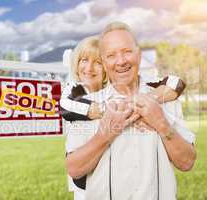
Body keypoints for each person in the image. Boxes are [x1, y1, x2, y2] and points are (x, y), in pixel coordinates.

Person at [65, 22, 196, 200]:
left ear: (139, 55)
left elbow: (187, 162)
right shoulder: (89, 106)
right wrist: (105, 134)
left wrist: (162, 124)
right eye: (111, 55)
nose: (121, 61)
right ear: (104, 62)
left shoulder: (167, 99)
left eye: (127, 51)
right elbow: (73, 168)